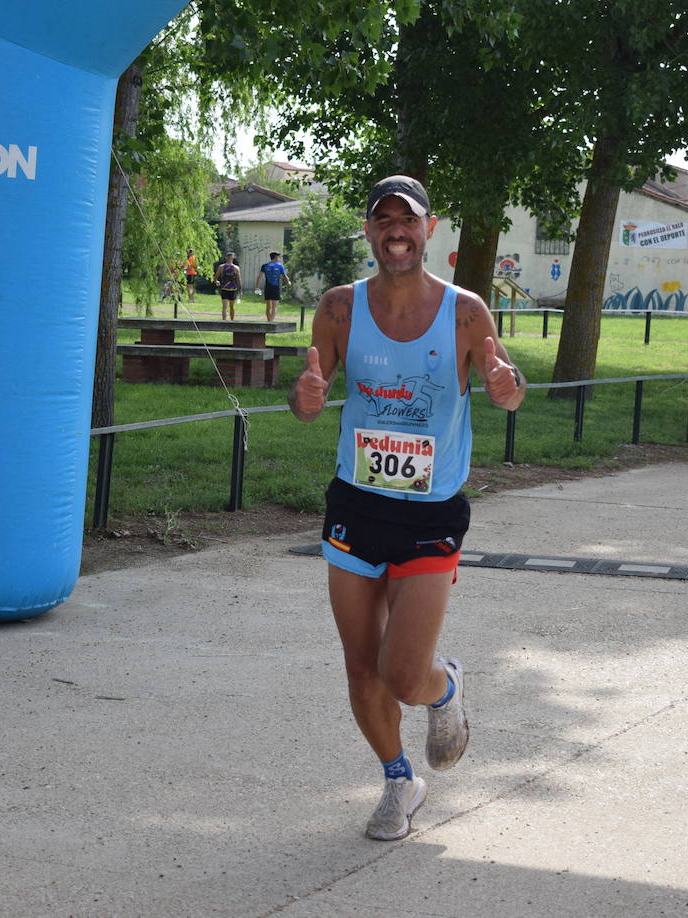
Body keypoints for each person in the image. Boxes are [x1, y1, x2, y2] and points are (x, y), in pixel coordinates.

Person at [288, 175, 526, 841]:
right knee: (362, 668)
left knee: (401, 672)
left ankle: (444, 688)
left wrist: (509, 389)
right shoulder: (339, 309)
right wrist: (303, 401)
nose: (396, 230)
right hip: (356, 506)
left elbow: (505, 388)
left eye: (409, 219)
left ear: (430, 228)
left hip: (429, 514)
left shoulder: (465, 312)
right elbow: (310, 391)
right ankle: (398, 781)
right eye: (383, 218)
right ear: (368, 230)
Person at [259, 252, 291, 321]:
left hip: (267, 287)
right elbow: (284, 276)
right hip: (275, 287)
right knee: (274, 306)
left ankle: (268, 320)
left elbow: (259, 277)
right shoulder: (280, 266)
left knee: (268, 306)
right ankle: (271, 321)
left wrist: (256, 286)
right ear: (276, 257)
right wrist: (288, 282)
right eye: (278, 257)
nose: (279, 259)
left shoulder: (265, 265)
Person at [215, 252, 241, 320]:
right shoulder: (222, 267)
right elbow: (216, 276)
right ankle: (225, 322)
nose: (229, 259)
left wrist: (239, 289)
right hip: (225, 289)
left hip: (233, 289)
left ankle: (231, 321)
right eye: (228, 257)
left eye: (230, 257)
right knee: (225, 306)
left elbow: (238, 280)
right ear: (226, 258)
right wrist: (216, 281)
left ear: (233, 258)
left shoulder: (236, 268)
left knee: (231, 306)